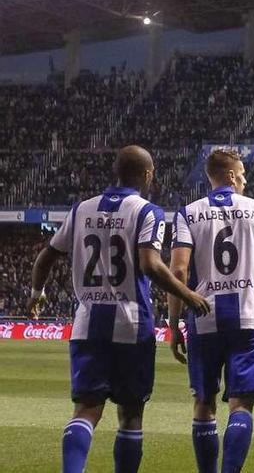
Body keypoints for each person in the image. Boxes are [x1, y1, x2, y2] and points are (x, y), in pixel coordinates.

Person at [26, 145, 210, 473]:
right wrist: (189, 296)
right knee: (131, 414)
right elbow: (150, 265)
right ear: (148, 175)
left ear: (117, 172)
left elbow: (46, 257)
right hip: (131, 321)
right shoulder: (147, 212)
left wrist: (37, 293)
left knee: (86, 409)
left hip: (87, 322)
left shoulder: (81, 209)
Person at [166, 149, 254, 473]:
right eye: (243, 174)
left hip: (202, 318)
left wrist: (174, 322)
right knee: (241, 404)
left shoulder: (188, 213)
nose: (246, 180)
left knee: (204, 404)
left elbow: (177, 273)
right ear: (231, 176)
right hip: (249, 318)